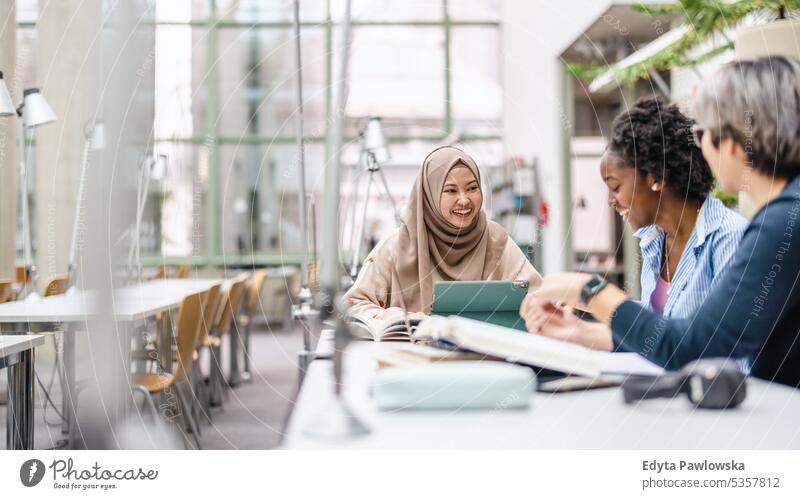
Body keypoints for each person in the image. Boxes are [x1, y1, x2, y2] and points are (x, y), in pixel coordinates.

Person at [521, 56, 800, 387]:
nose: (700, 146)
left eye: (702, 132)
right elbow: (672, 335)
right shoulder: (784, 214)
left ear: (731, 139)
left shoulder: (782, 222)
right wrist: (580, 330)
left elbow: (692, 346)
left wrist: (589, 290)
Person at [534, 97, 746, 345]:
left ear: (655, 177)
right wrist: (588, 304)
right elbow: (658, 323)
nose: (611, 201)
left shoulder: (729, 239)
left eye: (615, 187)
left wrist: (592, 292)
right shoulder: (656, 241)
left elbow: (720, 347)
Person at [345, 146, 542, 320]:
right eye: (451, 191)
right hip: (410, 358)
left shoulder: (496, 241)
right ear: (429, 195)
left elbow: (539, 297)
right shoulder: (395, 246)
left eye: (472, 188)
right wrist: (406, 319)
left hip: (481, 359)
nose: (464, 200)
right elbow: (354, 304)